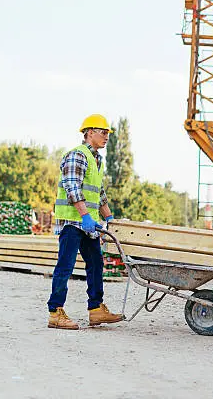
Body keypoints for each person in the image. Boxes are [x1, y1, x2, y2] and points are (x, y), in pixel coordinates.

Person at [47, 114, 124, 330]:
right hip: (73, 221)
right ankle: (55, 312)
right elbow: (73, 188)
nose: (106, 136)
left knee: (96, 264)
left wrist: (108, 216)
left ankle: (96, 309)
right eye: (103, 132)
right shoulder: (77, 155)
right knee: (66, 266)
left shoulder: (97, 160)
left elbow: (98, 193)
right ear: (89, 132)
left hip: (88, 224)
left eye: (108, 133)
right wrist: (85, 216)